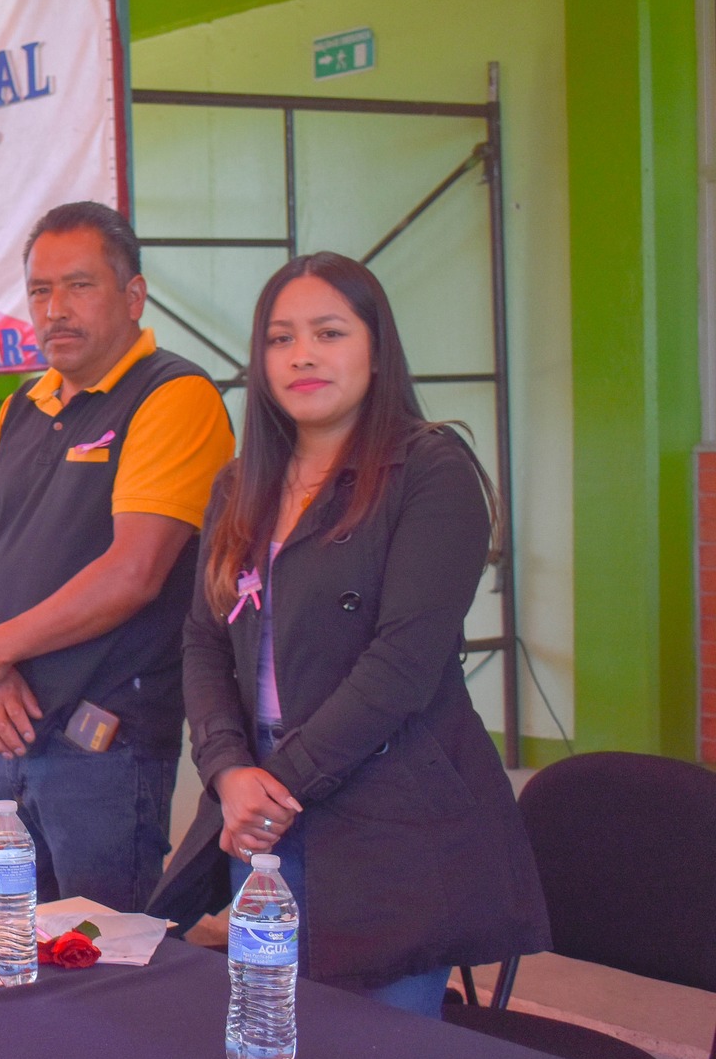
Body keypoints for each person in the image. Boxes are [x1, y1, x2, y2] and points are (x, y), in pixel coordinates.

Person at [151, 252, 548, 1016]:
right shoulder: (241, 484)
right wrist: (230, 770)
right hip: (260, 806)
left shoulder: (430, 469)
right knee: (270, 1040)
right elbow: (203, 641)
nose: (302, 354)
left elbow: (402, 663)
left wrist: (277, 784)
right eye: (280, 338)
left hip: (383, 817)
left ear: (376, 348)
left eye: (328, 332)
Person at [0, 202, 234, 912]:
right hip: (7, 725)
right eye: (40, 291)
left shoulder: (173, 395)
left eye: (79, 286)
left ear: (133, 296)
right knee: (7, 945)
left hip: (102, 744)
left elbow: (133, 573)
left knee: (101, 968)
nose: (55, 310)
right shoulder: (24, 404)